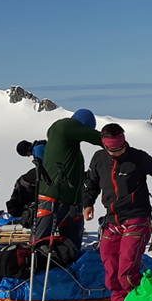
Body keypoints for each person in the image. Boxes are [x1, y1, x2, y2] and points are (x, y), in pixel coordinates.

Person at [82, 123, 152, 301]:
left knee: (127, 272)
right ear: (105, 146)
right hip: (112, 220)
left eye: (120, 148)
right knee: (112, 272)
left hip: (137, 217)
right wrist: (88, 203)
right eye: (112, 149)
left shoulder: (138, 157)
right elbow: (92, 183)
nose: (117, 153)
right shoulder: (99, 159)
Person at [34, 109, 103, 257]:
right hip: (54, 197)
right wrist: (114, 142)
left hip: (70, 201)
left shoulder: (70, 148)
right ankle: (35, 272)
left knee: (70, 247)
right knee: (42, 244)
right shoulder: (63, 126)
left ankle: (64, 274)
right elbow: (95, 137)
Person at [6, 139, 45, 228]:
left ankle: (17, 211)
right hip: (50, 172)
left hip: (47, 174)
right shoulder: (41, 146)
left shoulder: (37, 150)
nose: (28, 156)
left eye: (26, 155)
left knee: (22, 182)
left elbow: (43, 168)